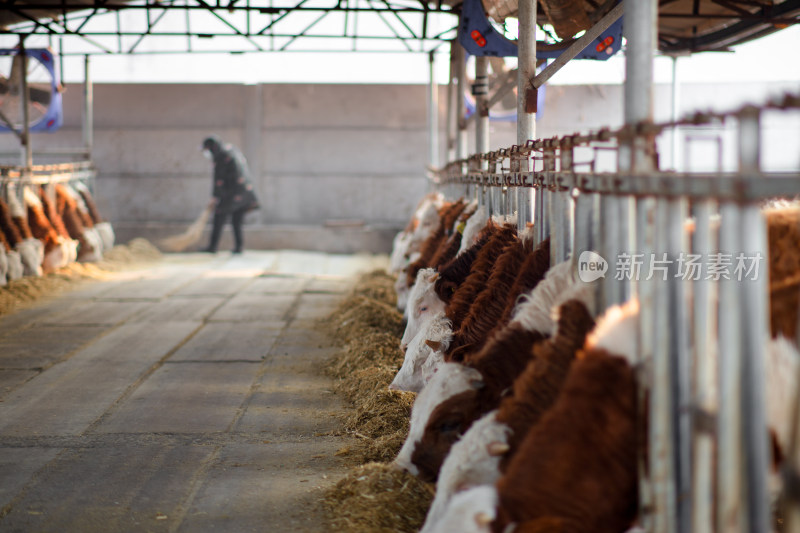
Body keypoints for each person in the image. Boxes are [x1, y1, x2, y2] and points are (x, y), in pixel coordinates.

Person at [200, 135, 259, 254]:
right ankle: (239, 247)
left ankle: (213, 246)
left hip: (232, 192)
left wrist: (215, 197)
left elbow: (219, 180)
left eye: (206, 150)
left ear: (211, 148)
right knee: (236, 220)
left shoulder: (221, 156)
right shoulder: (231, 149)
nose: (206, 153)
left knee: (219, 216)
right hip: (244, 190)